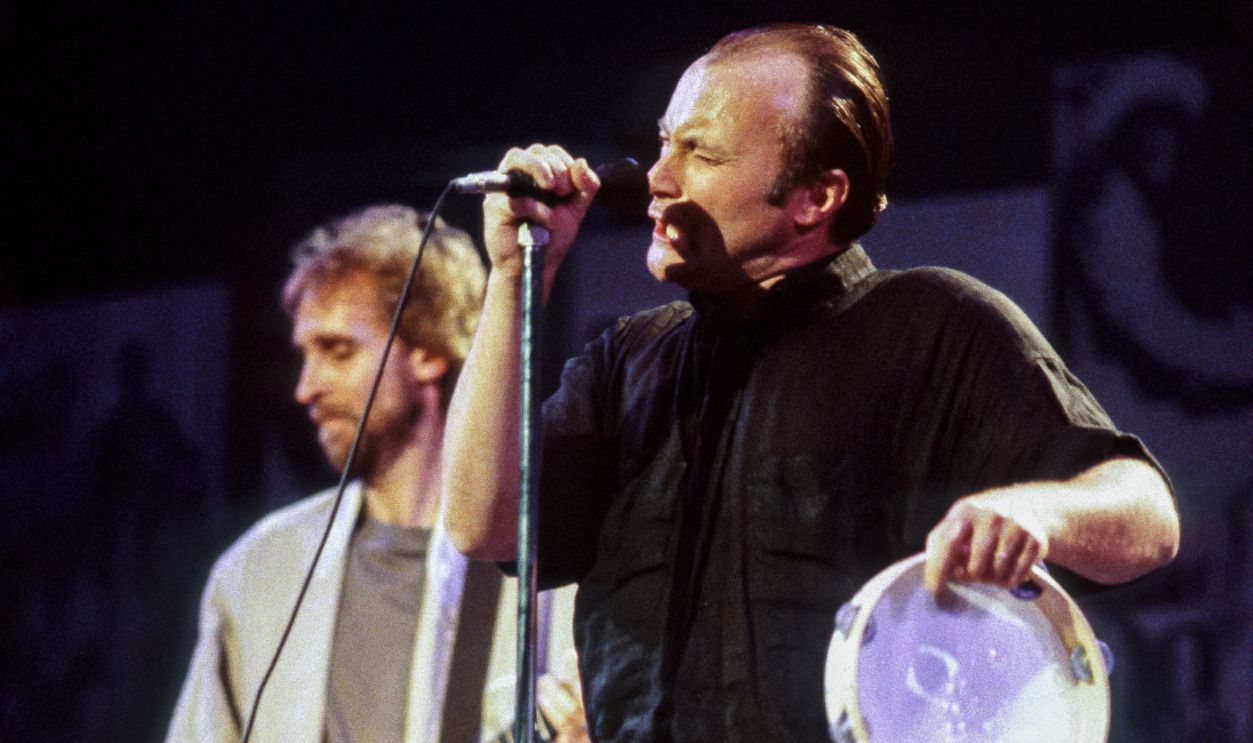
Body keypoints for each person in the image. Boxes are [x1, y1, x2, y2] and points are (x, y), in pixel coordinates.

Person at [441, 23, 1181, 743]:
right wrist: (514, 276)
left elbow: (1147, 515)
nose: (658, 178)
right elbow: (483, 525)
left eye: (701, 153)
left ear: (814, 197)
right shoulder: (629, 360)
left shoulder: (932, 325)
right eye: (665, 142)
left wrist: (1034, 511)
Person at [167, 206, 589, 743]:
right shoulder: (258, 571)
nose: (306, 389)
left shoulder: (558, 568)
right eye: (305, 355)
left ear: (428, 352)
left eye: (338, 351)